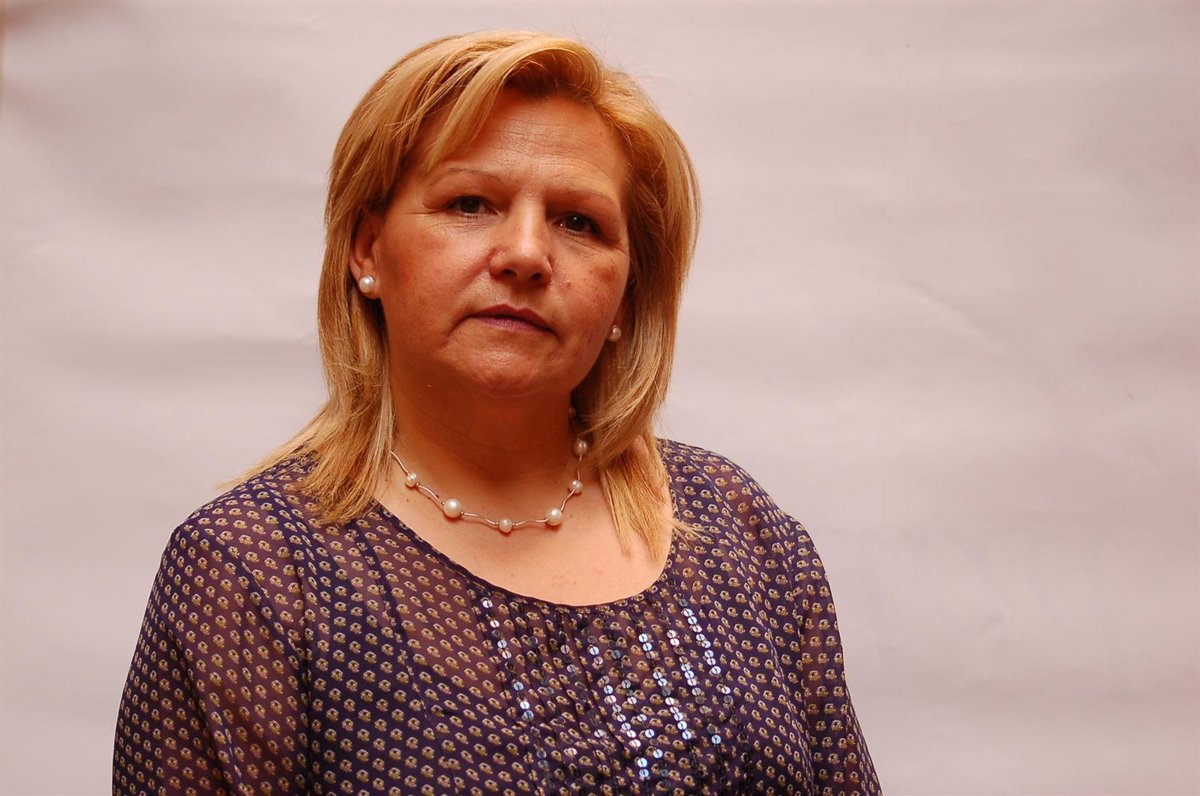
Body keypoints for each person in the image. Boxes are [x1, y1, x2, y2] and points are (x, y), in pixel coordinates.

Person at [113, 30, 880, 794]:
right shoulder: (253, 574)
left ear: (626, 296)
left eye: (578, 222)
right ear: (368, 251)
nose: (525, 254)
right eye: (470, 203)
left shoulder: (740, 534)